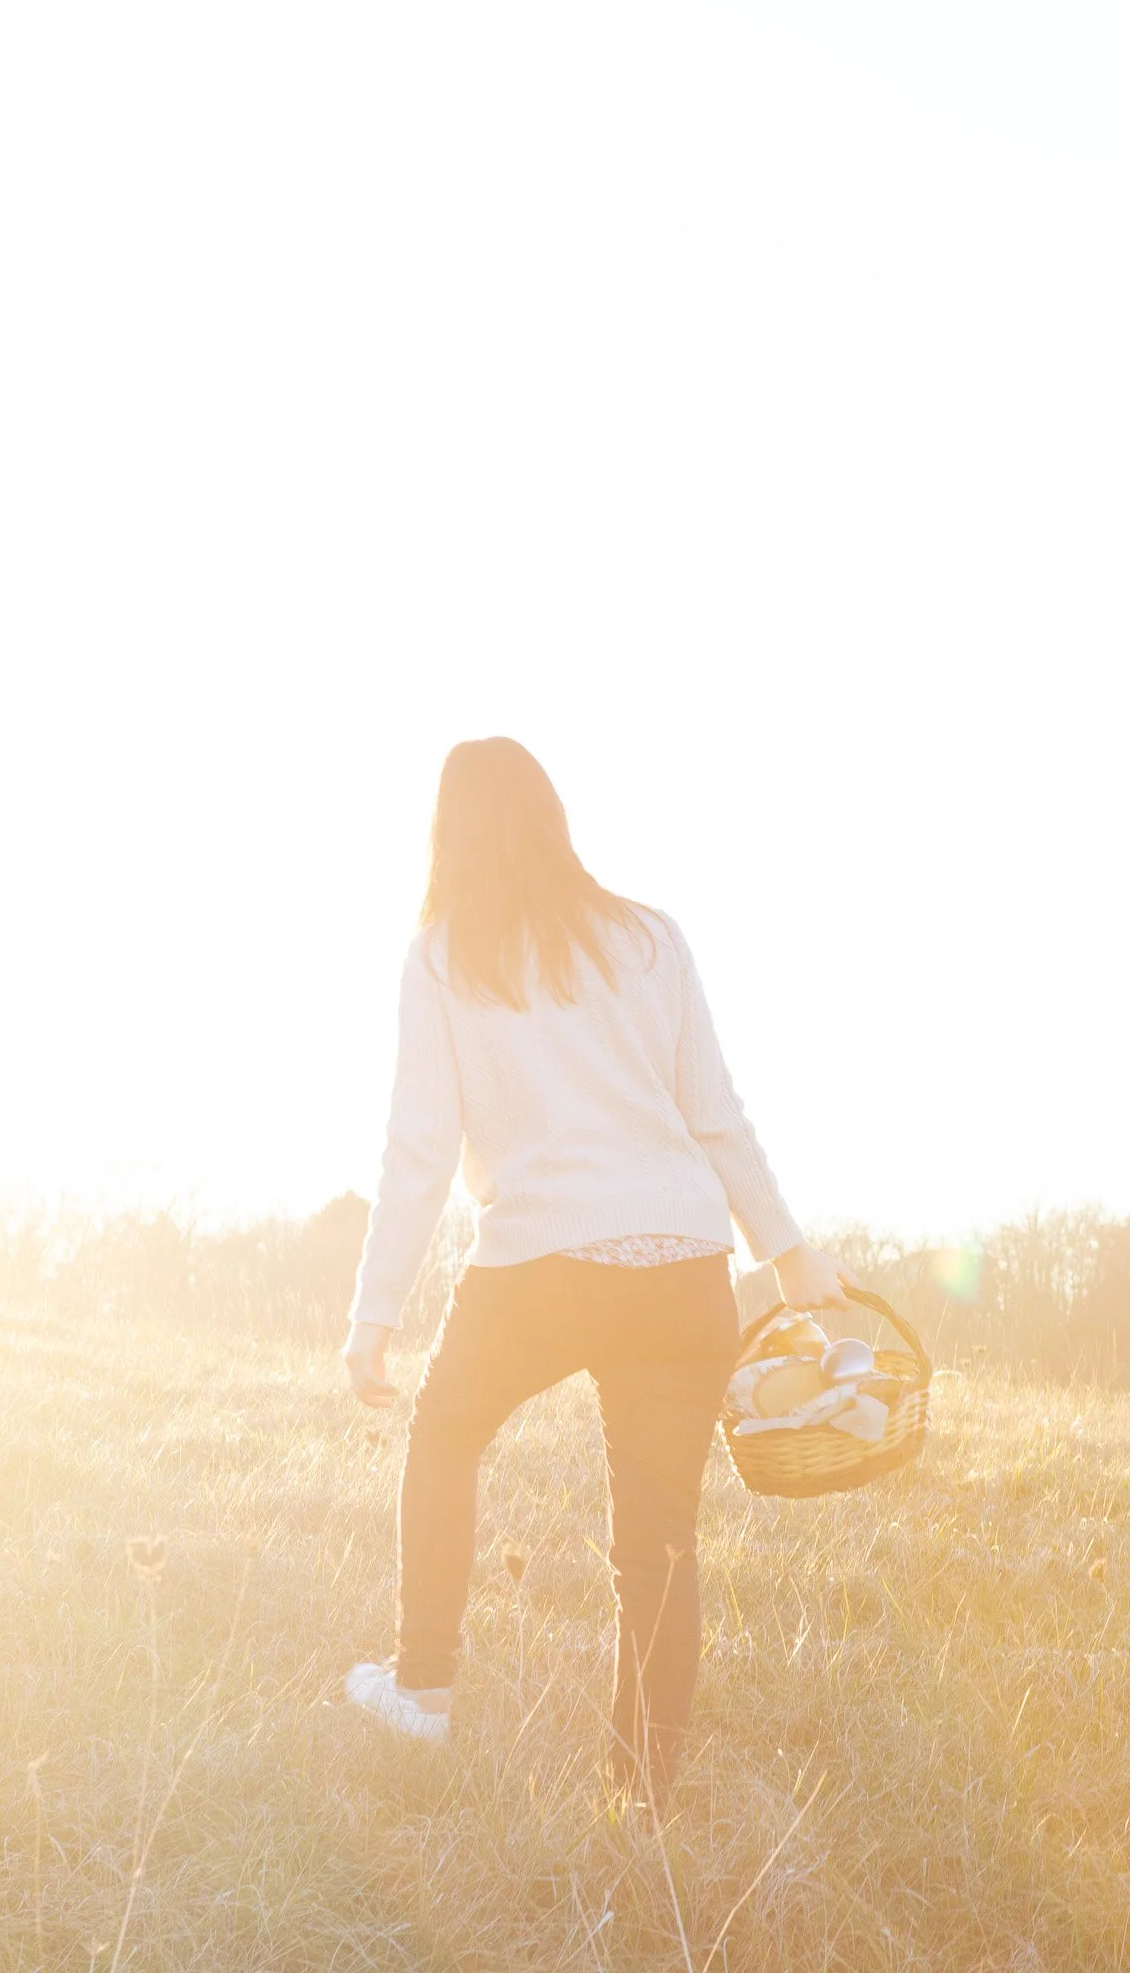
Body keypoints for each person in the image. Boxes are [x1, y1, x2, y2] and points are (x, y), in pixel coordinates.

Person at [341, 736, 860, 1808]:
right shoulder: (648, 938)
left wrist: (373, 1315)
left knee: (443, 1437)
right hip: (682, 1267)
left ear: (449, 830)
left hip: (540, 1263)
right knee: (659, 1538)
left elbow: (419, 1151)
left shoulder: (442, 957)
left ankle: (423, 1688)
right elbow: (715, 1111)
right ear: (550, 816)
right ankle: (642, 1785)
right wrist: (788, 1252)